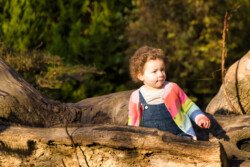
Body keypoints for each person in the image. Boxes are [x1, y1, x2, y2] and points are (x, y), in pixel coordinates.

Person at [128, 46, 210, 140]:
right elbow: (133, 121)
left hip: (179, 136)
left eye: (162, 69)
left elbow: (189, 106)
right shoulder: (136, 97)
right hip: (150, 141)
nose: (160, 74)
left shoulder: (172, 88)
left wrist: (199, 117)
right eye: (154, 71)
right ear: (140, 75)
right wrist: (133, 139)